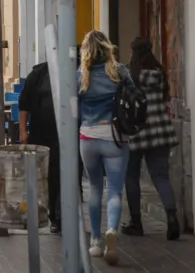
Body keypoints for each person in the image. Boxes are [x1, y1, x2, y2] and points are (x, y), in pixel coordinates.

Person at [78, 30, 132, 265]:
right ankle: (111, 229)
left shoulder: (80, 75)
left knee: (94, 188)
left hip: (88, 137)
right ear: (107, 48)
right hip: (115, 137)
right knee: (115, 190)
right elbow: (133, 97)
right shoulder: (120, 72)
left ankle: (95, 241)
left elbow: (73, 108)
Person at [121, 37, 180, 240]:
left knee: (131, 176)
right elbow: (165, 100)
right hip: (159, 131)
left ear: (134, 52)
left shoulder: (129, 75)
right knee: (161, 176)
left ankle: (136, 223)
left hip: (135, 132)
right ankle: (172, 218)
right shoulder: (159, 73)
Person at [19, 59, 61, 234]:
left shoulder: (72, 72)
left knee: (57, 175)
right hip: (40, 133)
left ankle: (57, 216)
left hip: (63, 136)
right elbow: (24, 104)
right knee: (41, 176)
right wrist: (23, 132)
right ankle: (38, 212)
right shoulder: (38, 74)